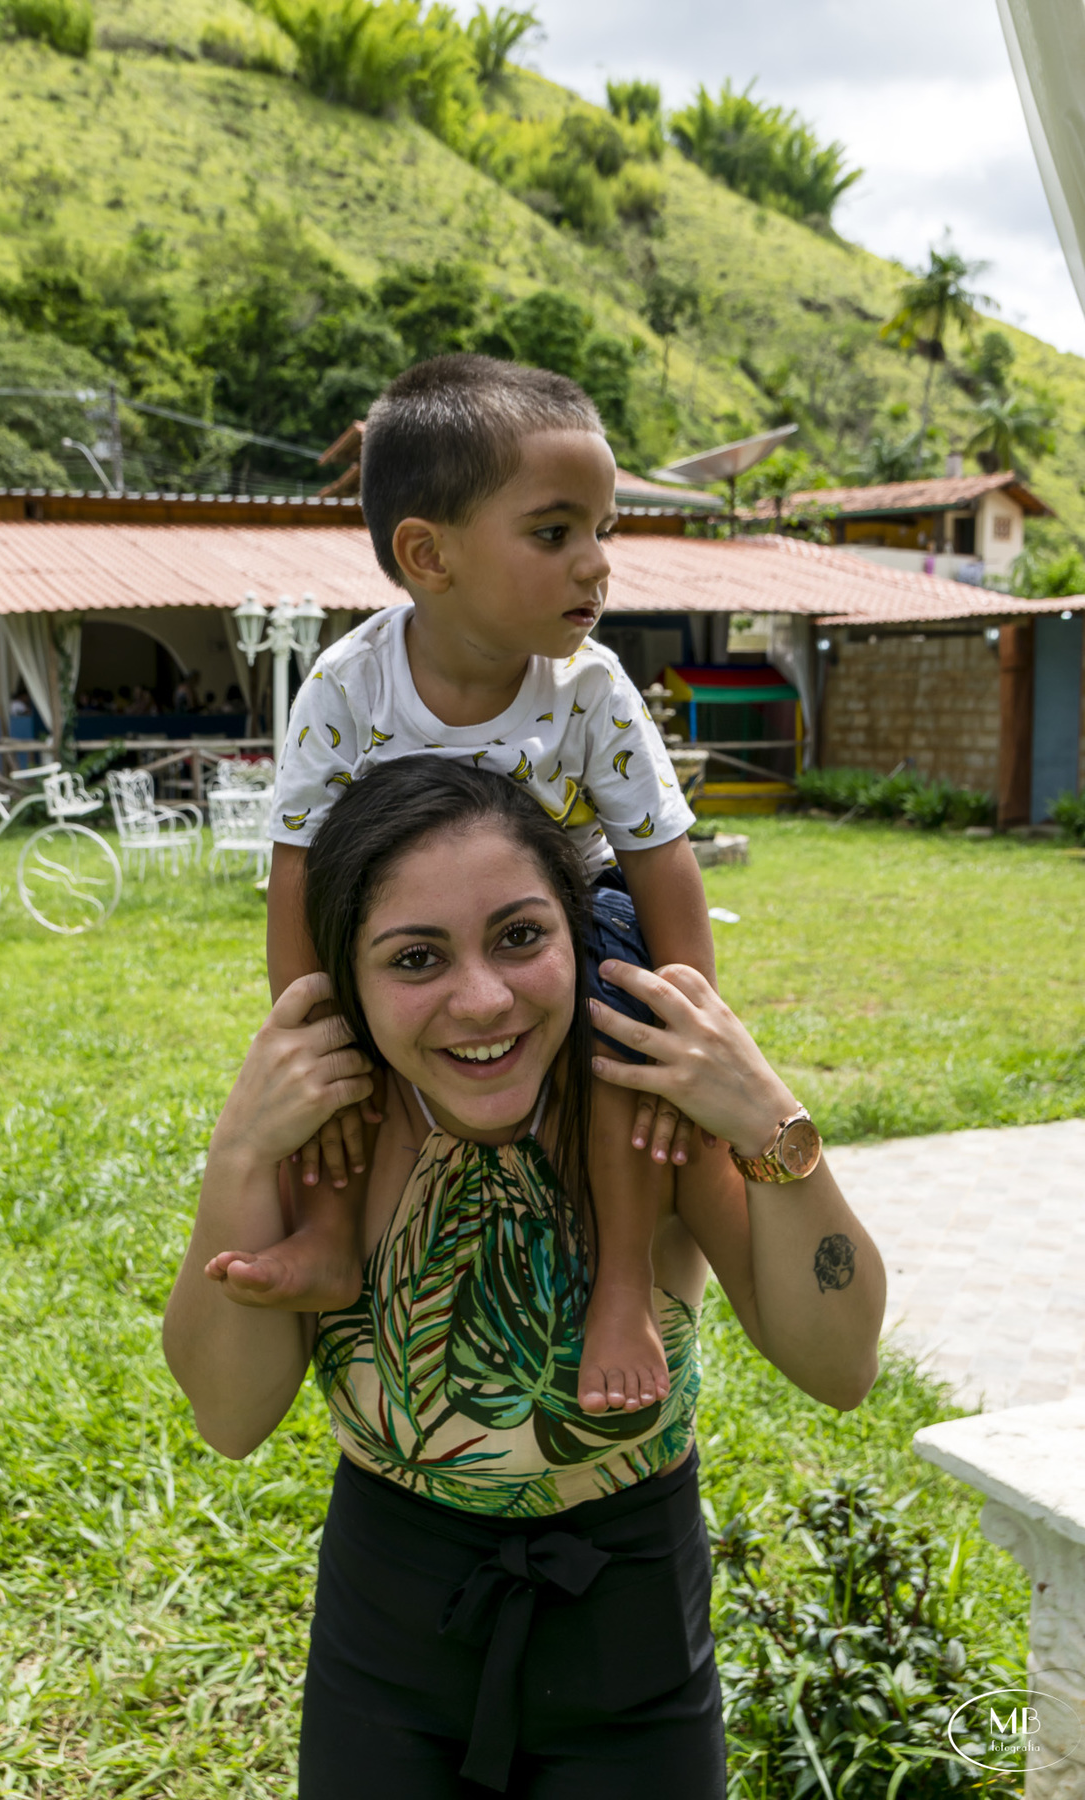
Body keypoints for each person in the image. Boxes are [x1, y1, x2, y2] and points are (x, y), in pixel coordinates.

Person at [164, 759, 886, 1800]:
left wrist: (770, 1121)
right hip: (390, 1626)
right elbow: (228, 1418)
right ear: (349, 984)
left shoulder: (644, 1117)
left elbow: (840, 1364)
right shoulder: (331, 1138)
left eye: (519, 937)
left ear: (576, 936)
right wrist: (240, 1153)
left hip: (632, 1621)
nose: (481, 999)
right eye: (416, 958)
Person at [262, 354, 717, 1414]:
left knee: (625, 1050)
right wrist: (307, 1036)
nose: (596, 565)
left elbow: (661, 864)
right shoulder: (348, 685)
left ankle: (621, 1291)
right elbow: (295, 880)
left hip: (573, 921)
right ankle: (329, 1237)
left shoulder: (591, 687)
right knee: (344, 1056)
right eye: (556, 533)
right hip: (407, 929)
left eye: (606, 530)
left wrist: (685, 1021)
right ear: (429, 555)